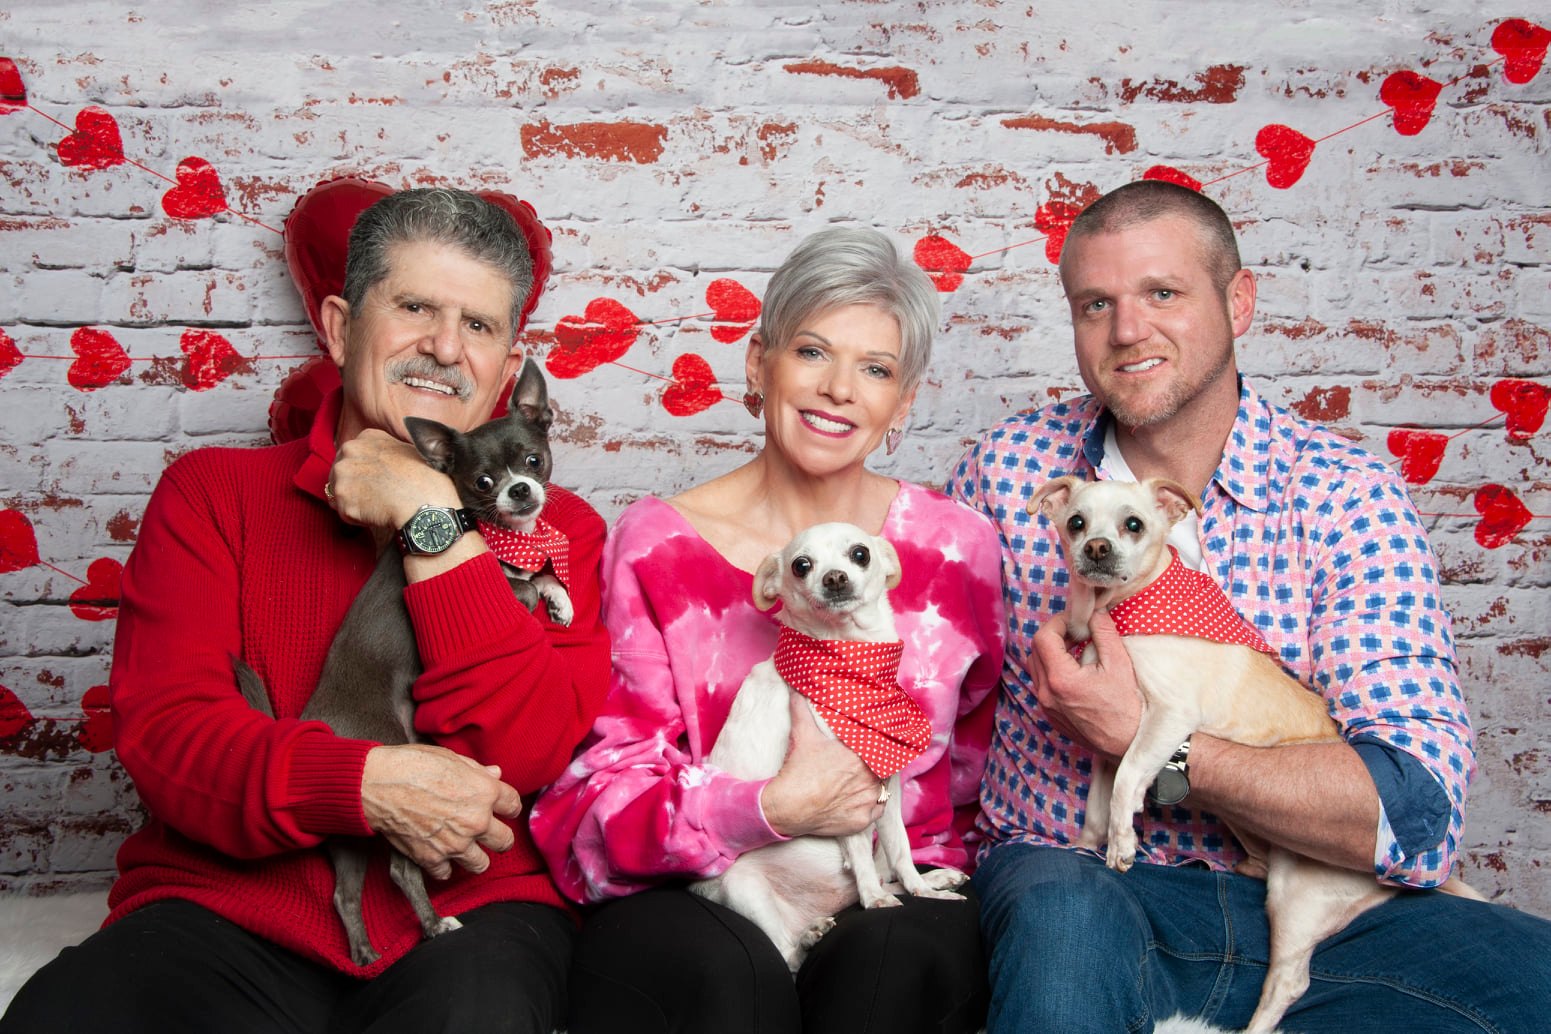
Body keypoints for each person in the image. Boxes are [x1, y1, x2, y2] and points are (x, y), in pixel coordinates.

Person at [0, 188, 611, 1034]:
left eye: (477, 325)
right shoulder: (212, 495)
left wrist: (430, 519)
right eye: (414, 307)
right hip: (225, 909)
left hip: (473, 918)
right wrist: (360, 784)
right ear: (338, 328)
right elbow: (170, 739)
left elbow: (526, 749)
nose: (444, 346)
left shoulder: (559, 530)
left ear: (507, 369)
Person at [950, 179, 1551, 1032]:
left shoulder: (1345, 496)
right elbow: (932, 696)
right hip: (1082, 877)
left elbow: (1413, 808)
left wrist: (1161, 747)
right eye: (1095, 305)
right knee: (1060, 927)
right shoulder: (1006, 471)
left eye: (1162, 293)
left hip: (1318, 894)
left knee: (1533, 981)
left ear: (1238, 301)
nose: (1127, 331)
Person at [529, 227, 1006, 1034]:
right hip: (709, 876)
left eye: (876, 369)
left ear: (903, 401)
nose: (839, 389)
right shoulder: (657, 545)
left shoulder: (955, 547)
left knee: (891, 971)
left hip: (896, 878)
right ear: (759, 364)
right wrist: (772, 806)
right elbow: (600, 795)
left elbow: (982, 773)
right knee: (724, 976)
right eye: (812, 352)